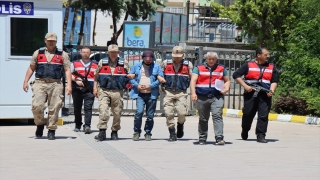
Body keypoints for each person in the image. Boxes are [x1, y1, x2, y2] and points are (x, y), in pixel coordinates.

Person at [23, 32, 72, 140]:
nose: (51, 42)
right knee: (37, 106)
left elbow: (67, 70)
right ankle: (40, 124)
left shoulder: (62, 54)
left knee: (54, 107)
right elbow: (31, 68)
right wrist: (26, 81)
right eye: (49, 40)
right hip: (40, 83)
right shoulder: (38, 53)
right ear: (45, 41)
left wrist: (69, 85)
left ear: (56, 41)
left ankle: (51, 129)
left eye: (53, 40)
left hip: (56, 83)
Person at [232, 47, 278, 143]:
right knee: (248, 114)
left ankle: (261, 135)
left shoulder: (272, 67)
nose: (268, 56)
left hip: (265, 94)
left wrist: (271, 90)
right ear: (258, 55)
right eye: (266, 55)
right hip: (251, 93)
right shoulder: (248, 65)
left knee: (263, 116)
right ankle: (245, 129)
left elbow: (274, 81)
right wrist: (245, 86)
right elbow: (236, 75)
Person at [190, 51, 230, 145]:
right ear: (206, 59)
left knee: (217, 116)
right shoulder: (198, 68)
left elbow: (227, 80)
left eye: (213, 59)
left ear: (216, 59)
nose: (211, 61)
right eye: (209, 59)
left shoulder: (222, 68)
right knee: (203, 118)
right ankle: (202, 137)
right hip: (202, 97)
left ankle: (219, 137)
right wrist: (193, 93)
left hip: (217, 96)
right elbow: (193, 81)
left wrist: (226, 88)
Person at [93, 44, 129, 141]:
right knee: (103, 110)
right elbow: (96, 76)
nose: (113, 54)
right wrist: (95, 89)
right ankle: (102, 131)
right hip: (104, 90)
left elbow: (128, 76)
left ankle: (114, 131)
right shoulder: (102, 62)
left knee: (117, 112)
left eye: (115, 52)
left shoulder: (123, 62)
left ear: (118, 52)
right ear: (108, 52)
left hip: (118, 91)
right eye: (111, 52)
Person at [128, 50, 163, 141]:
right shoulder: (136, 66)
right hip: (140, 94)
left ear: (152, 59)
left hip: (152, 94)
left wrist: (150, 86)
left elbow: (160, 79)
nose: (148, 61)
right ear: (142, 58)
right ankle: (136, 132)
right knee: (139, 112)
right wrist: (137, 85)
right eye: (146, 59)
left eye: (150, 59)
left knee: (150, 115)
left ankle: (148, 133)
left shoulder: (157, 67)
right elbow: (130, 78)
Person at [160, 46, 193, 141]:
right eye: (175, 56)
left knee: (182, 113)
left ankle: (180, 125)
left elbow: (192, 78)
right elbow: (160, 75)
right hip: (168, 91)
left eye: (179, 56)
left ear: (183, 55)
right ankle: (172, 133)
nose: (177, 58)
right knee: (168, 113)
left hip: (181, 92)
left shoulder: (188, 65)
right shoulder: (166, 63)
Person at [71, 46, 97, 134]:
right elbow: (69, 74)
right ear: (80, 53)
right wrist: (76, 80)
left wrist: (95, 89)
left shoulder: (95, 64)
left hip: (89, 89)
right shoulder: (74, 63)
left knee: (88, 108)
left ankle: (87, 126)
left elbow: (97, 77)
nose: (85, 54)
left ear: (90, 53)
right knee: (77, 108)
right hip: (77, 89)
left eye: (87, 52)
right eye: (84, 52)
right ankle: (77, 125)